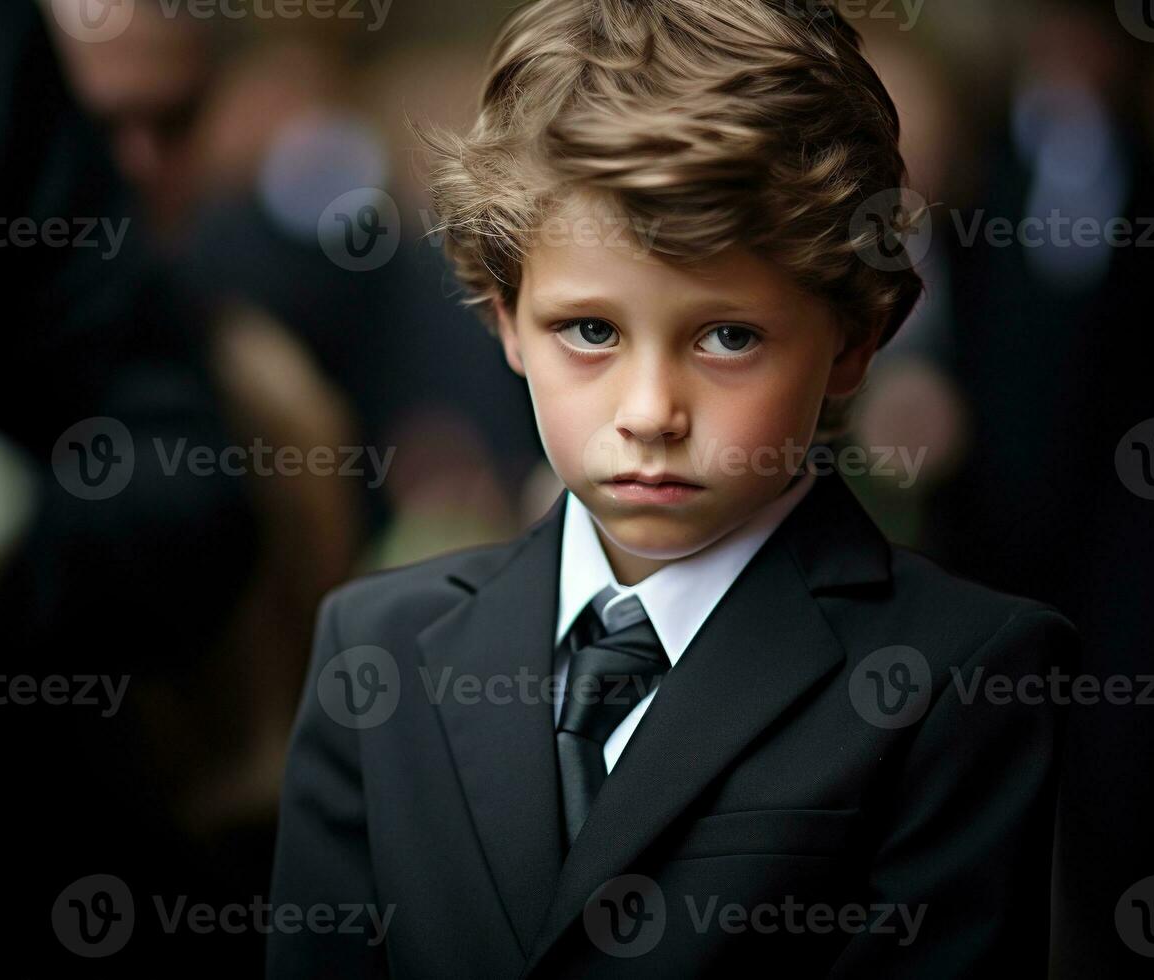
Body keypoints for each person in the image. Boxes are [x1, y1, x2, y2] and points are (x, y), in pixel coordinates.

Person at [267, 1, 1079, 976]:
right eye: (592, 331)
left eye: (728, 335)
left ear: (853, 340)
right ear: (505, 316)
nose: (651, 408)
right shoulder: (376, 648)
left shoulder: (961, 678)